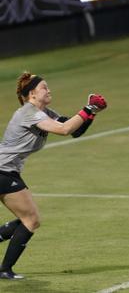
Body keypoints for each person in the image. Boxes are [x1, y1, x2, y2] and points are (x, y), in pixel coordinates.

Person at [0, 72, 107, 279]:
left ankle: (4, 269)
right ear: (32, 93)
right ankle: (4, 270)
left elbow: (75, 129)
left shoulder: (44, 112)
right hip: (2, 170)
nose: (49, 91)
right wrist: (88, 108)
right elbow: (65, 129)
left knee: (28, 219)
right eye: (44, 88)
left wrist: (91, 112)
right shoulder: (29, 113)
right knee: (30, 220)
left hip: (6, 170)